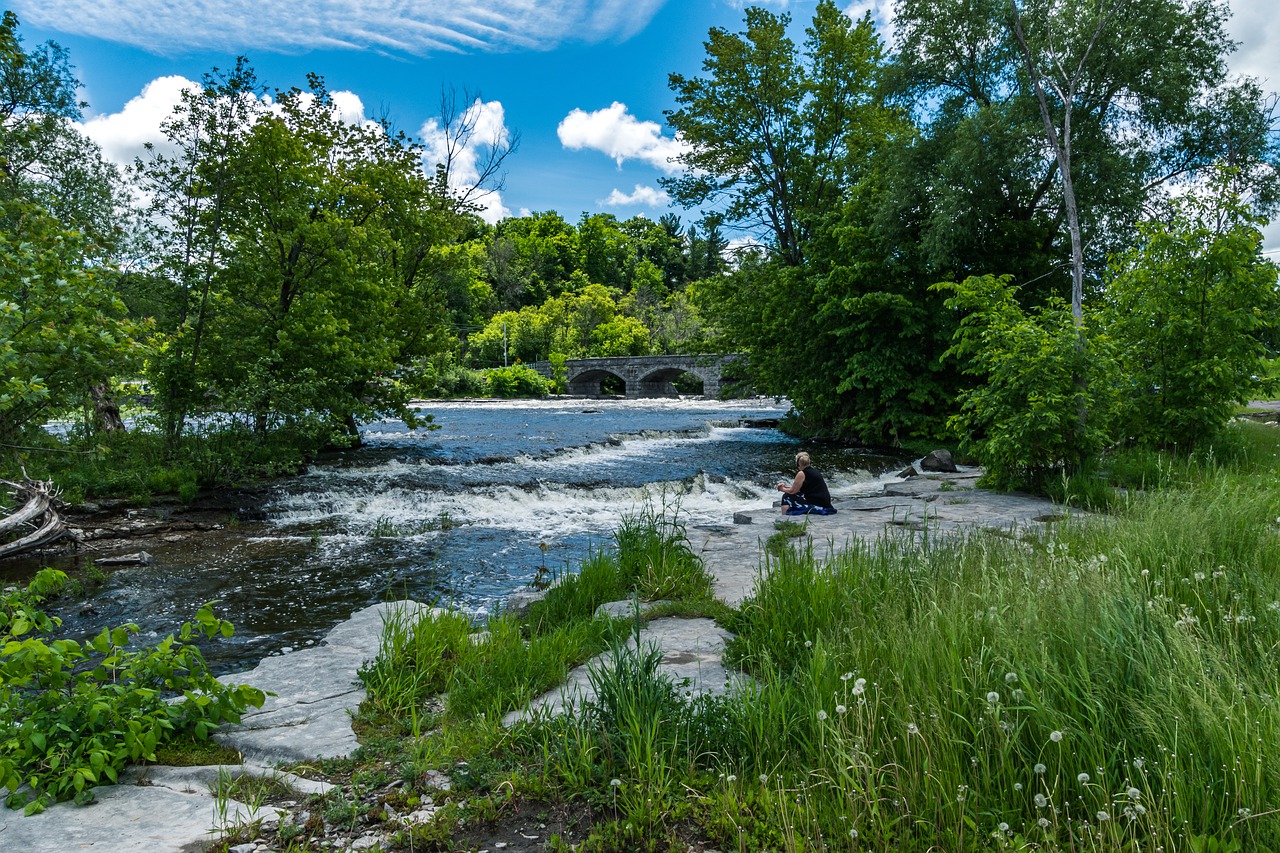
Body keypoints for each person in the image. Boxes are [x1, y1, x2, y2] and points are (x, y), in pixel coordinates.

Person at [776, 451, 836, 515]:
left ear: (798, 464)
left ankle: (785, 517)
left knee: (786, 496)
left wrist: (782, 489)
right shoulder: (814, 472)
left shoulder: (802, 473)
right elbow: (798, 489)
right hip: (824, 503)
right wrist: (785, 487)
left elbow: (792, 491)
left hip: (817, 504)